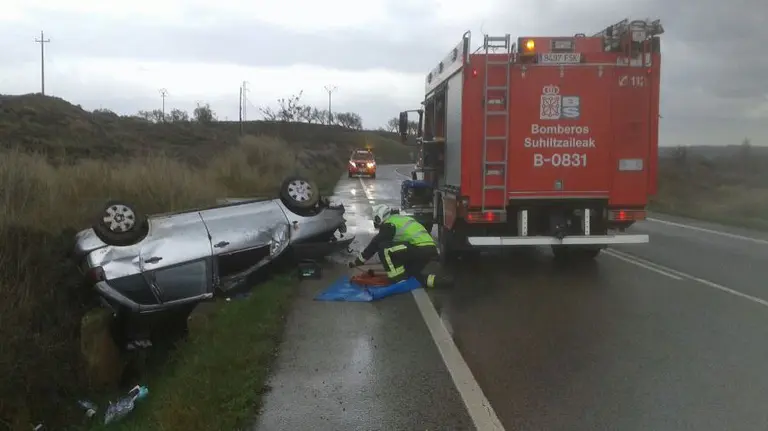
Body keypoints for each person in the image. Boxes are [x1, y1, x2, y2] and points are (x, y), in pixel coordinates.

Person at [348, 204, 450, 289]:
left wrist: (359, 261)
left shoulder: (389, 224)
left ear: (379, 217)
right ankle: (441, 282)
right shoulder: (400, 219)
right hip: (427, 251)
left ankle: (397, 279)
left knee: (384, 248)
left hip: (419, 249)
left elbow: (375, 243)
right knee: (411, 276)